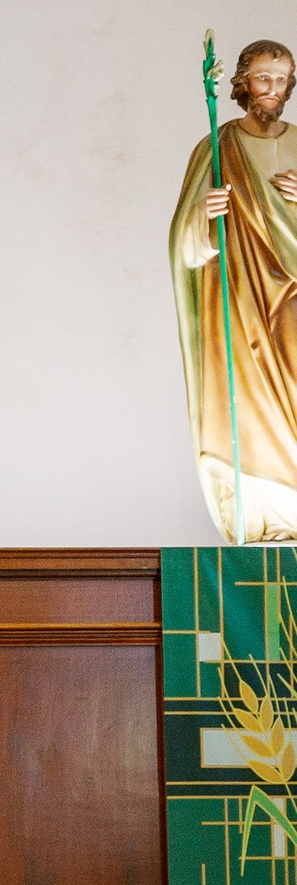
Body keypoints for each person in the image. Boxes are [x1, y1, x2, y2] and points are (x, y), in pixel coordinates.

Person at [173, 36, 297, 541]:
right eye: (263, 78)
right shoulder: (216, 147)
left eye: (282, 79)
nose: (273, 89)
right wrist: (204, 218)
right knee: (249, 404)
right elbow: (183, 246)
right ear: (243, 83)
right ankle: (270, 517)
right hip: (242, 302)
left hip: (292, 300)